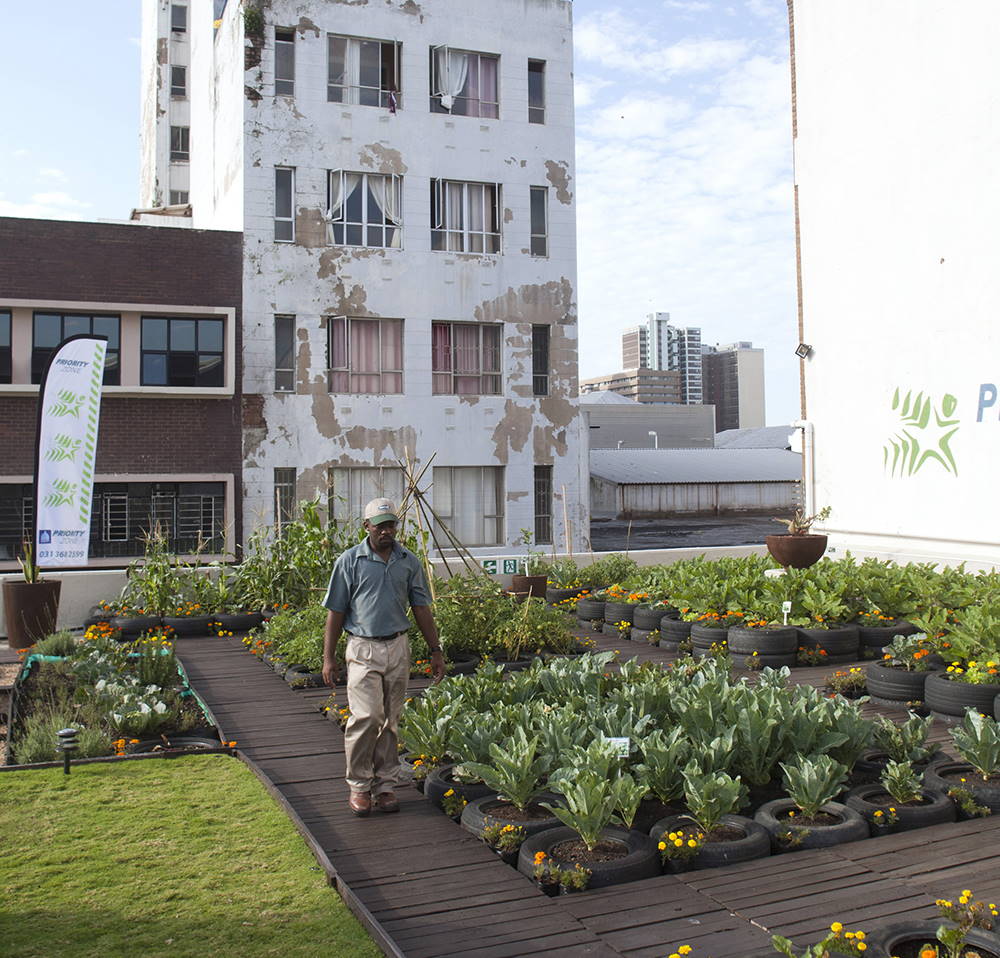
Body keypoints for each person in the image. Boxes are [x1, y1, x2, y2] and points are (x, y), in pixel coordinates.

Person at [321, 497, 445, 816]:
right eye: (381, 526)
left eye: (391, 524)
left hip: (398, 646)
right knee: (367, 717)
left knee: (391, 720)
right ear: (366, 527)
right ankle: (360, 786)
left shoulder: (408, 561)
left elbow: (421, 608)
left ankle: (386, 785)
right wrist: (328, 657)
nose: (387, 531)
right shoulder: (349, 562)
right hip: (362, 647)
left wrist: (436, 650)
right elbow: (335, 612)